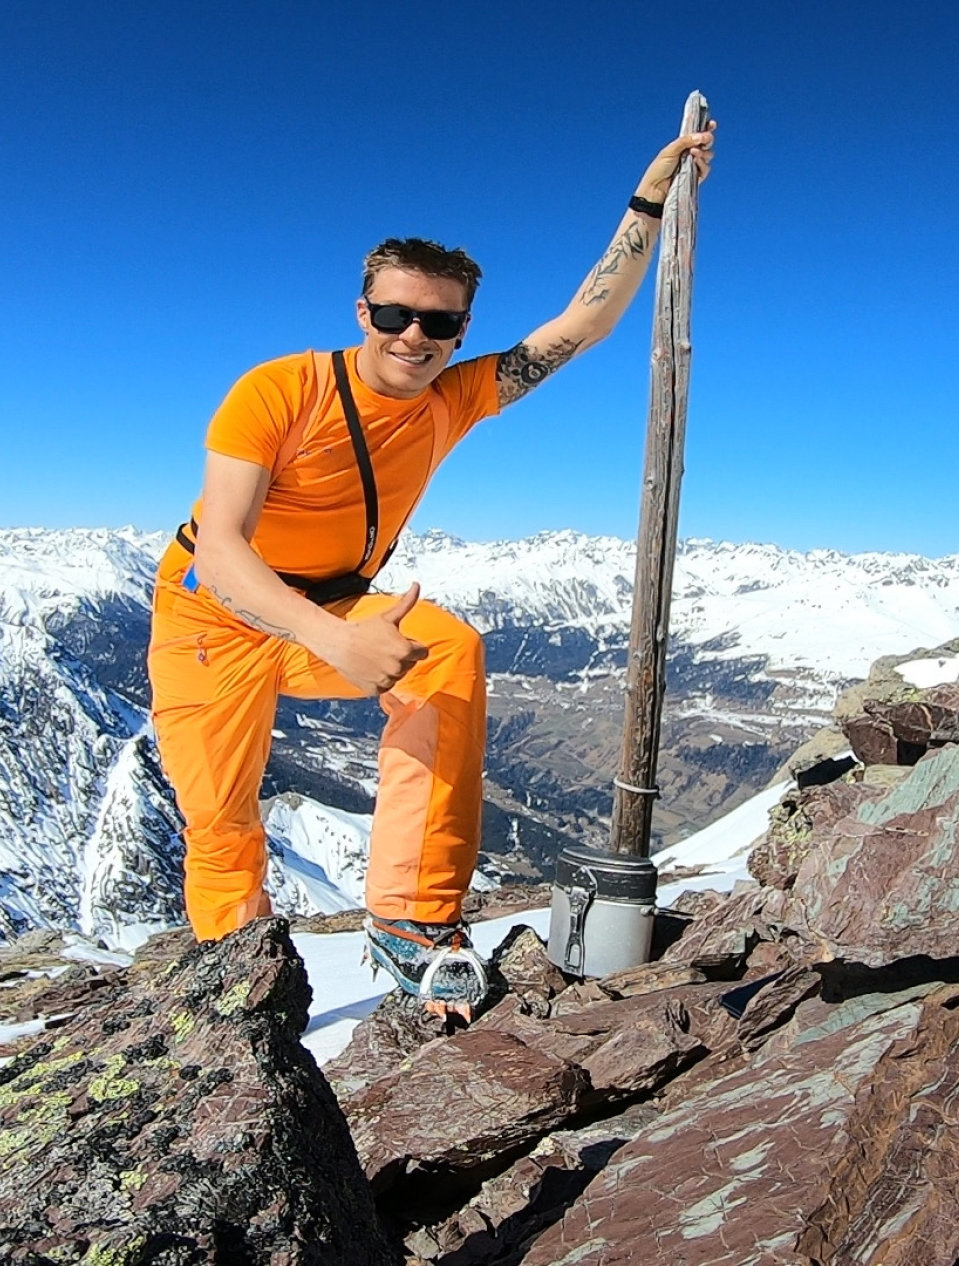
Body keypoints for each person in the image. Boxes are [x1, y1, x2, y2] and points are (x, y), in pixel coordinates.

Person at [148, 123, 715, 1016]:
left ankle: (412, 922)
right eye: (395, 315)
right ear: (362, 312)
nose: (415, 336)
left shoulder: (454, 397)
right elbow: (220, 550)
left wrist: (650, 199)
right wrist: (332, 638)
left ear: (461, 331)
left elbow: (585, 324)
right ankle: (239, 982)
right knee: (219, 812)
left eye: (440, 322)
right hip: (212, 617)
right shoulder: (278, 391)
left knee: (447, 652)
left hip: (331, 604)